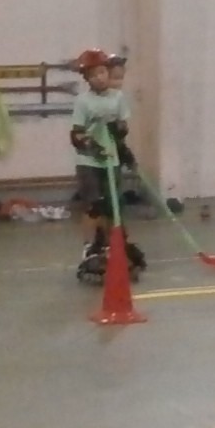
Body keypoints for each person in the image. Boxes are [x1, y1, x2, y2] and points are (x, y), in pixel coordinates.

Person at [68, 50, 145, 282]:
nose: (99, 78)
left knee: (114, 206)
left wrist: (123, 146)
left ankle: (115, 245)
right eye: (93, 75)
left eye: (102, 72)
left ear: (107, 72)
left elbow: (122, 128)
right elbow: (76, 135)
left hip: (112, 160)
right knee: (95, 205)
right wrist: (92, 146)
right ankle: (90, 247)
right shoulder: (83, 101)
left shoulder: (117, 98)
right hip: (89, 161)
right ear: (87, 79)